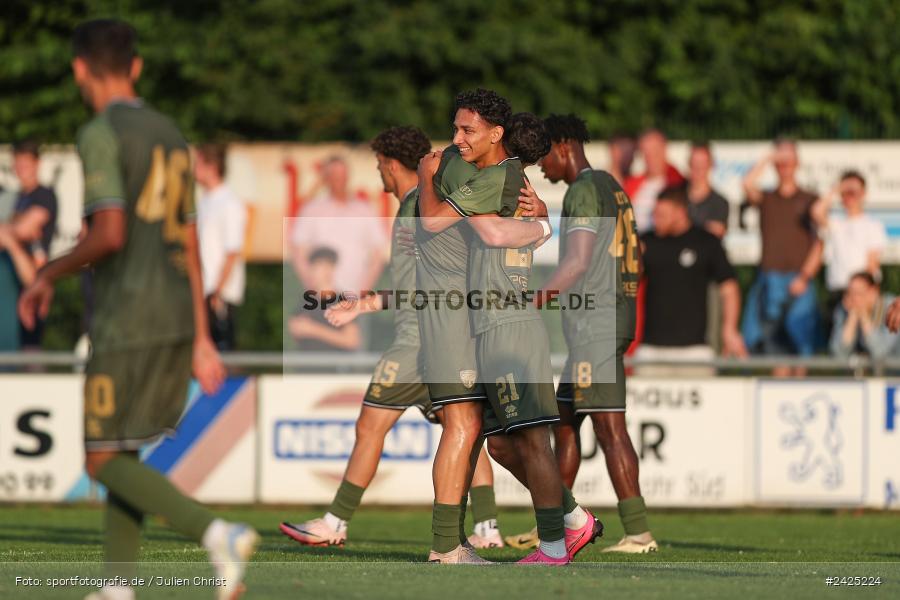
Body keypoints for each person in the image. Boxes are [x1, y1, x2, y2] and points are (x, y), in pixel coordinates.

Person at [17, 20, 257, 600]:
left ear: (79, 69)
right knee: (123, 448)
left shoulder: (101, 131)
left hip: (128, 316)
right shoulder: (170, 133)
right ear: (137, 66)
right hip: (174, 315)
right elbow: (191, 241)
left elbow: (111, 233)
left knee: (100, 461)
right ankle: (118, 586)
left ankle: (216, 532)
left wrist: (47, 272)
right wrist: (201, 335)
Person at [279, 125, 506, 550]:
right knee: (461, 427)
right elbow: (420, 280)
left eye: (379, 165)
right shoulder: (419, 204)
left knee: (371, 425)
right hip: (442, 337)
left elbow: (435, 279)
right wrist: (364, 304)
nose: (378, 173)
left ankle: (334, 522)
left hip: (418, 341)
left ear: (390, 164)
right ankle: (488, 528)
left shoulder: (418, 204)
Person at [418, 93, 598, 565]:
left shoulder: (497, 180)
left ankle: (553, 547)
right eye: (456, 131)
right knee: (500, 442)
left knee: (534, 442)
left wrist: (426, 172)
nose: (457, 141)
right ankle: (572, 522)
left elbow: (474, 228)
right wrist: (543, 224)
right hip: (489, 325)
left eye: (466, 132)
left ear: (499, 136)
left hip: (509, 325)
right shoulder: (506, 182)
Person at [508, 112, 656, 554]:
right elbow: (630, 257)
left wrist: (532, 300)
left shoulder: (583, 190)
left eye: (545, 156)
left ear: (564, 146)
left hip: (597, 324)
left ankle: (639, 533)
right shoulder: (609, 185)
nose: (541, 165)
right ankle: (555, 524)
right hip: (604, 319)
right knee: (566, 423)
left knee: (610, 428)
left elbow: (576, 262)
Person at [635, 186, 747, 375]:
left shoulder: (706, 242)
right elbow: (623, 284)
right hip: (651, 350)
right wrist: (633, 259)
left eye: (662, 215)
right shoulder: (646, 242)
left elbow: (729, 287)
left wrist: (729, 329)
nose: (656, 219)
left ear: (680, 213)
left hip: (695, 351)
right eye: (655, 214)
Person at [741, 139, 822, 376]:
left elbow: (820, 243)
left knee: (801, 344)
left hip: (799, 279)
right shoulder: (767, 197)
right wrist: (770, 157)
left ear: (798, 163)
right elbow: (747, 183)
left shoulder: (810, 199)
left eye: (789, 160)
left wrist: (805, 276)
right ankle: (780, 392)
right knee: (775, 346)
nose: (785, 165)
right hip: (771, 279)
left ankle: (801, 389)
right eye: (781, 161)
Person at [290, 156, 388, 296]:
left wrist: (365, 288)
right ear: (326, 178)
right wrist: (311, 284)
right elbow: (298, 250)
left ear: (348, 177)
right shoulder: (312, 209)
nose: (339, 179)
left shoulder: (365, 210)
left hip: (354, 294)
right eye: (334, 175)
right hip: (321, 296)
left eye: (342, 174)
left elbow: (378, 252)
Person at [811, 170, 887, 335]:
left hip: (862, 292)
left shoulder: (873, 225)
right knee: (838, 341)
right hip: (837, 291)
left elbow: (872, 263)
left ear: (863, 194)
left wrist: (863, 294)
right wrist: (837, 188)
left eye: (854, 192)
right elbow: (817, 212)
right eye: (846, 192)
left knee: (866, 340)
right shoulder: (836, 223)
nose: (850, 197)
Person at [2, 140, 59, 349]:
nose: (21, 169)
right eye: (18, 164)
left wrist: (10, 233)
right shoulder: (15, 198)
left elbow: (23, 230)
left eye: (25, 163)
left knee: (30, 347)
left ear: (37, 163)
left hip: (33, 278)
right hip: (13, 282)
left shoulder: (44, 195)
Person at [194, 142, 247, 351]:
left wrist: (218, 291)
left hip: (218, 293)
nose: (194, 169)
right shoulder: (204, 201)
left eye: (198, 164)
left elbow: (232, 252)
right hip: (203, 289)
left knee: (222, 353)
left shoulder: (229, 203)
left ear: (212, 167)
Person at [289, 247, 361, 352]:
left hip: (335, 361)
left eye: (319, 267)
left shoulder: (344, 300)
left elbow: (352, 341)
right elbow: (295, 329)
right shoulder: (306, 300)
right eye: (313, 267)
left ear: (330, 269)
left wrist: (313, 329)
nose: (314, 272)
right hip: (307, 361)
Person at [624, 128, 684, 234]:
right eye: (646, 153)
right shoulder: (631, 184)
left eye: (655, 151)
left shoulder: (679, 184)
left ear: (664, 150)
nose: (650, 157)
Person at [831, 272, 899, 360]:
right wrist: (852, 319)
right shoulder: (843, 309)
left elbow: (880, 353)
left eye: (858, 293)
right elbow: (838, 354)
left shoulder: (893, 308)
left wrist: (864, 317)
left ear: (874, 292)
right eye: (850, 293)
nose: (854, 299)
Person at [686, 143, 729, 239]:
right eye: (694, 163)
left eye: (702, 164)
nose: (697, 168)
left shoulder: (720, 203)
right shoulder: (677, 198)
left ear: (711, 165)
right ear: (689, 164)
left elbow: (715, 235)